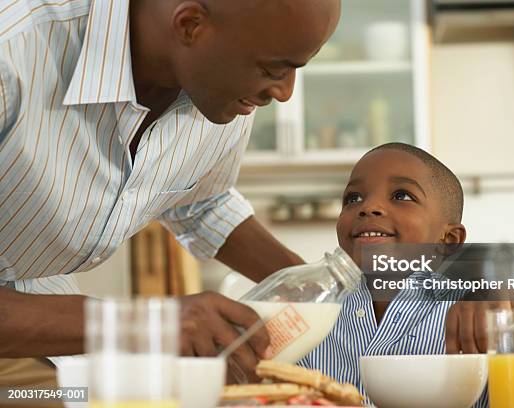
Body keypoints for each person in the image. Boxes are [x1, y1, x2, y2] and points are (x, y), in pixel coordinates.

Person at [0, 0, 340, 389]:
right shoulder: (12, 51)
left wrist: (332, 297)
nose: (283, 93)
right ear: (191, 25)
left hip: (48, 353)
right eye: (272, 69)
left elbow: (202, 203)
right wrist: (146, 324)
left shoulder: (219, 86)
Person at [298, 143, 514, 407]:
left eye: (401, 196)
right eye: (353, 198)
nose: (367, 207)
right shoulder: (311, 311)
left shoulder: (478, 306)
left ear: (448, 239)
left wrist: (513, 316)